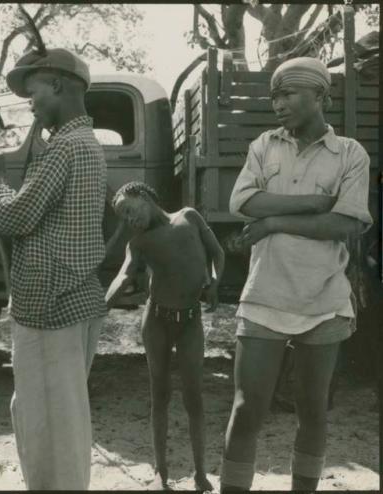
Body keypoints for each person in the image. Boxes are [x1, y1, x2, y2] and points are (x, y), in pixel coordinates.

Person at [221, 57, 373, 492]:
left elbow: (347, 223)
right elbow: (242, 202)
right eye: (274, 96)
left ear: (320, 97)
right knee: (248, 407)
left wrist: (272, 221)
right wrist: (312, 202)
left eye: (287, 94)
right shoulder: (264, 146)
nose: (278, 104)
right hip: (265, 295)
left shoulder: (350, 154)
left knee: (312, 409)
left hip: (324, 300)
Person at [0, 47, 107, 490]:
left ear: (59, 85)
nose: (31, 104)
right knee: (61, 414)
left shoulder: (65, 147)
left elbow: (13, 218)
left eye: (34, 93)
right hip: (72, 298)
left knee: (48, 422)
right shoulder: (83, 144)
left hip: (48, 304)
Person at [106, 181, 225, 491]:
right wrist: (101, 305)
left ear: (144, 197)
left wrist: (213, 281)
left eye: (130, 211)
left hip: (189, 322)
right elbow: (124, 274)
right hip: (157, 322)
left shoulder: (190, 217)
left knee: (194, 397)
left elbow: (217, 253)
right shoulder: (139, 243)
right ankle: (161, 472)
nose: (130, 220)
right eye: (124, 218)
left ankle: (200, 473)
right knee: (160, 395)